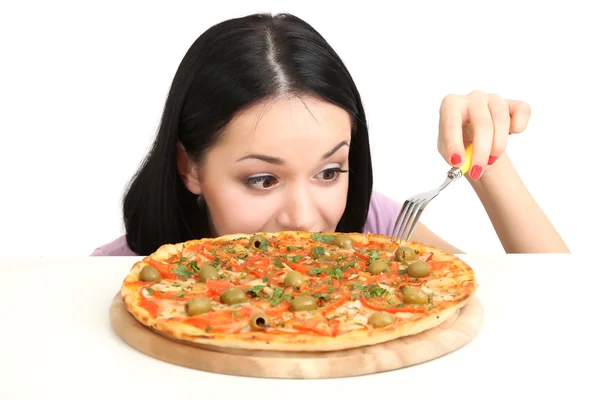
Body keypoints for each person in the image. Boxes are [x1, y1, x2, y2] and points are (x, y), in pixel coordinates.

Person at [91, 12, 569, 257]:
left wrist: (488, 161)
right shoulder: (111, 278)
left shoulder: (372, 224)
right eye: (262, 179)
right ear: (189, 167)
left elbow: (555, 305)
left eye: (328, 171)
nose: (304, 218)